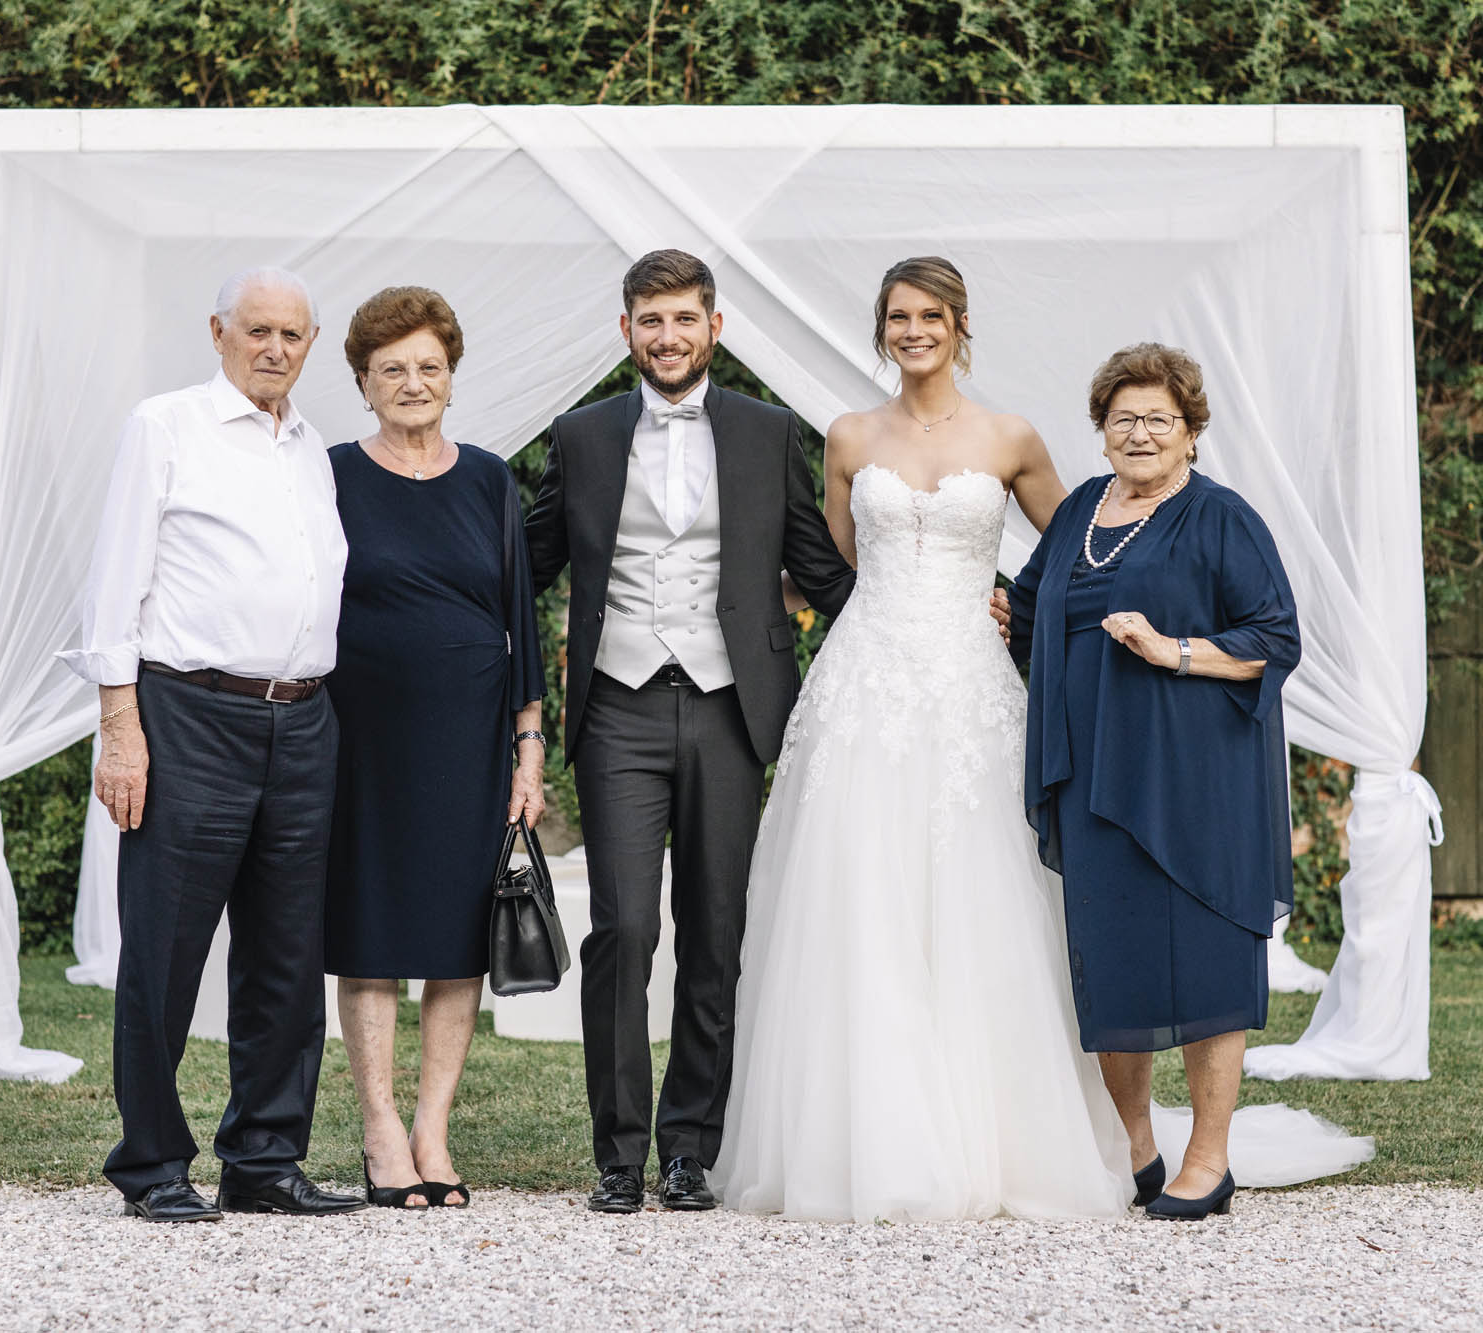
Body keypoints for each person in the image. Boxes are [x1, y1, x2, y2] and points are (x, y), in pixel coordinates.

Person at [710, 257, 1135, 1222]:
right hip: (864, 684)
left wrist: (1020, 609)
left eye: (929, 316)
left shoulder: (1011, 435)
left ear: (960, 324)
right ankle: (859, 1137)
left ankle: (1004, 1137)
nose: (913, 331)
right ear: (882, 330)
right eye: (898, 317)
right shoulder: (851, 436)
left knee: (981, 897)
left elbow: (1078, 548)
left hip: (969, 687)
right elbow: (833, 565)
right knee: (857, 899)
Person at [525, 250, 859, 1214]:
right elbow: (532, 560)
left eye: (683, 319)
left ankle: (688, 1148)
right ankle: (618, 1152)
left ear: (716, 326)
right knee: (624, 928)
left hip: (729, 704)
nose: (666, 337)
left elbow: (818, 568)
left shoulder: (767, 433)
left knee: (718, 932)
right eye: (648, 320)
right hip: (616, 703)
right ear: (624, 330)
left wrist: (930, 609)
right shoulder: (580, 435)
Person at [60, 266, 363, 1222]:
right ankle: (152, 1163)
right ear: (220, 332)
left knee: (286, 951)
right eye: (258, 330)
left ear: (312, 346)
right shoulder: (167, 427)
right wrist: (121, 730)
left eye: (294, 335)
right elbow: (116, 583)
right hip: (190, 714)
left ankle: (265, 1158)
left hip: (306, 718)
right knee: (166, 947)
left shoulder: (313, 446)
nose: (276, 348)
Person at [1007, 342, 1300, 1221]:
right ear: (1100, 435)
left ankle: (1209, 1158)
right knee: (1112, 960)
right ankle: (1137, 1143)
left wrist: (1172, 651)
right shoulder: (1080, 514)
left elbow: (1274, 638)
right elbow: (1029, 609)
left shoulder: (1221, 518)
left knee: (1210, 958)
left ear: (1192, 433)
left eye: (1158, 419)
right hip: (1092, 769)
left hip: (1197, 770)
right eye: (1122, 418)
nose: (1139, 433)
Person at [324, 286, 546, 1210]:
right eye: (392, 370)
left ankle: (433, 1131)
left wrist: (529, 752)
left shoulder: (491, 477)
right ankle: (379, 1127)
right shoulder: (329, 471)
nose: (412, 383)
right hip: (359, 735)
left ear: (451, 375)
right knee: (371, 933)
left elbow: (520, 624)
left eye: (428, 366)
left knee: (458, 940)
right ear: (364, 383)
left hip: (471, 735)